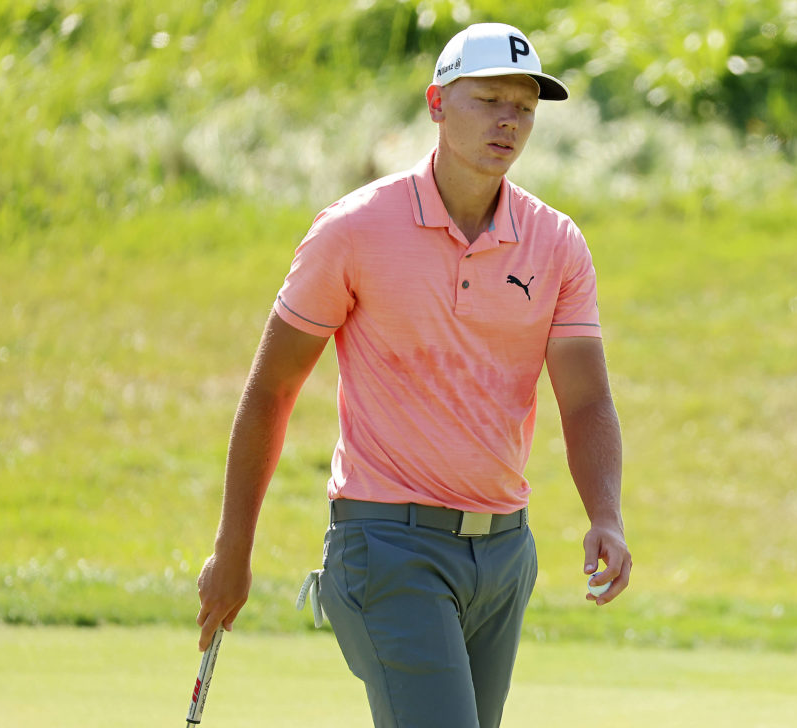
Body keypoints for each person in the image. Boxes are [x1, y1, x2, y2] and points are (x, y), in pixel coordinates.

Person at [195, 22, 632, 728]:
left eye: (523, 107)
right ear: (437, 103)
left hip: (504, 554)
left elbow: (584, 399)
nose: (508, 121)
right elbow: (272, 389)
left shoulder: (556, 243)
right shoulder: (354, 229)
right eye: (488, 99)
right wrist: (233, 551)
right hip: (387, 547)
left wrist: (605, 514)